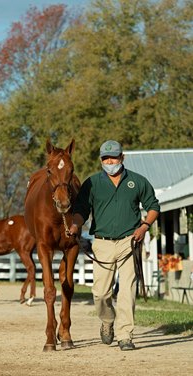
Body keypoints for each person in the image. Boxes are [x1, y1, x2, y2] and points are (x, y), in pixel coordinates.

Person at [70, 140, 159, 351]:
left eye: (114, 157)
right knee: (100, 293)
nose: (110, 162)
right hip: (102, 243)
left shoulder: (138, 181)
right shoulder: (92, 183)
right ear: (101, 160)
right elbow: (81, 210)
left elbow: (153, 206)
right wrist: (75, 225)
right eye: (105, 158)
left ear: (122, 157)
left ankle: (125, 335)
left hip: (130, 241)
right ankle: (107, 320)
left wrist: (144, 226)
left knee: (127, 289)